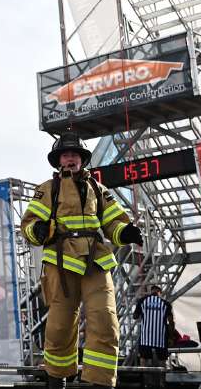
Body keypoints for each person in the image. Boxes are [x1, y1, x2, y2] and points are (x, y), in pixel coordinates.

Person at [20, 133, 144, 388]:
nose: (70, 158)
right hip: (61, 262)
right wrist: (38, 230)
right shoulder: (47, 189)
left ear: (82, 159)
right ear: (58, 161)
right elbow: (29, 224)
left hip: (96, 262)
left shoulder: (99, 190)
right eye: (65, 154)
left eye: (75, 154)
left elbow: (113, 223)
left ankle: (99, 382)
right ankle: (57, 378)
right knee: (60, 325)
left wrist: (125, 232)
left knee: (105, 319)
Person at [133, 285, 173, 388]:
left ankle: (146, 383)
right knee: (162, 361)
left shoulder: (142, 301)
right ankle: (161, 383)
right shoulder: (166, 304)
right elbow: (171, 322)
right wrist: (171, 337)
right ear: (160, 292)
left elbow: (135, 316)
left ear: (151, 292)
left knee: (144, 360)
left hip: (146, 336)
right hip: (160, 336)